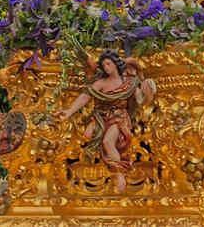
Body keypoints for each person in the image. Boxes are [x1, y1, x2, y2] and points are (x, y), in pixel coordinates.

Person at [56, 50, 156, 193]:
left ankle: (120, 175)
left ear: (116, 64)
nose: (107, 68)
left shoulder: (129, 82)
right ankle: (112, 154)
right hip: (102, 115)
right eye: (104, 66)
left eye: (109, 64)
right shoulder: (101, 83)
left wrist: (148, 95)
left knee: (107, 142)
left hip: (119, 116)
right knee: (88, 134)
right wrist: (69, 111)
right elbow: (85, 97)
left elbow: (142, 101)